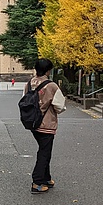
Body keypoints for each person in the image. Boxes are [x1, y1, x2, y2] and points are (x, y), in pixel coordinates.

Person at [24, 58, 66, 194]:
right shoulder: (51, 85)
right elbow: (59, 106)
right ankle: (37, 182)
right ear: (48, 70)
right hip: (46, 123)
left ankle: (46, 178)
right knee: (44, 152)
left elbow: (24, 99)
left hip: (32, 122)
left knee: (44, 149)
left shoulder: (30, 83)